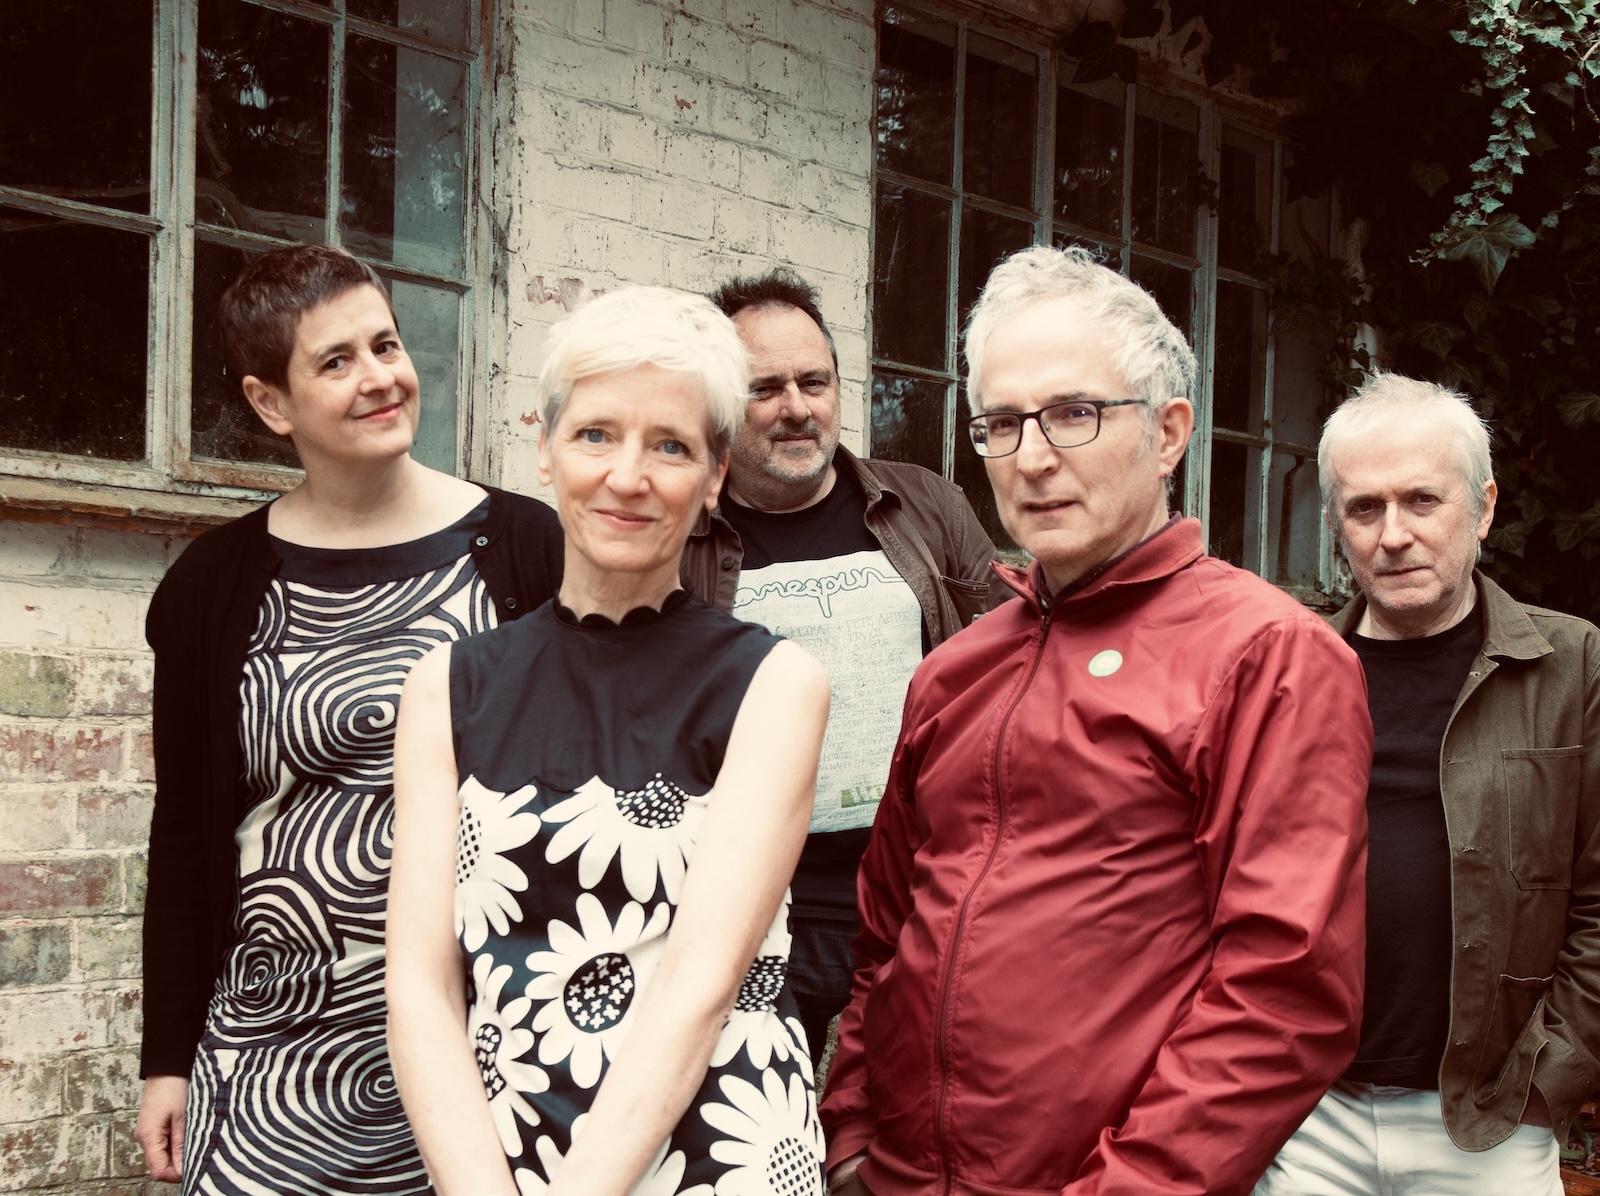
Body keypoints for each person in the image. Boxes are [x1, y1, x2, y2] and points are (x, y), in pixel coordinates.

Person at [821, 245, 1375, 1196]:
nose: (1032, 458)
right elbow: (886, 934)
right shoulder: (957, 669)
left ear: (1168, 434)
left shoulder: (1267, 655)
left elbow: (1283, 995)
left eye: (1074, 413)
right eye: (1002, 423)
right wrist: (854, 1135)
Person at [133, 244, 563, 1193]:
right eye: (336, 361)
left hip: (481, 1043)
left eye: (386, 345)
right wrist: (167, 1057)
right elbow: (186, 834)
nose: (380, 378)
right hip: (267, 1048)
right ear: (270, 403)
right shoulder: (211, 588)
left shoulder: (525, 548)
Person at [386, 286, 832, 1196]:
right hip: (498, 1162)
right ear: (545, 449)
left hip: (718, 1153)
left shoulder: (773, 684)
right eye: (596, 434)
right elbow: (421, 988)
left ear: (713, 477)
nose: (628, 477)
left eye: (670, 446)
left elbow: (700, 985)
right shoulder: (447, 688)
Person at [1255, 374, 1600, 1196]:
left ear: (1482, 508)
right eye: (1364, 508)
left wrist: (1547, 1083)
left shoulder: (1573, 667)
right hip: (1309, 1115)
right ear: (1334, 524)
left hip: (1490, 1122)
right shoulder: (1287, 672)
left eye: (1422, 501)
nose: (1394, 535)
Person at [688, 268, 1000, 1057]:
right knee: (756, 1112)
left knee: (905, 1114)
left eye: (814, 382)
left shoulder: (927, 506)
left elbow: (1007, 666)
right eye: (765, 389)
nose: (797, 407)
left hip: (915, 886)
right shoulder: (681, 535)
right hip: (759, 900)